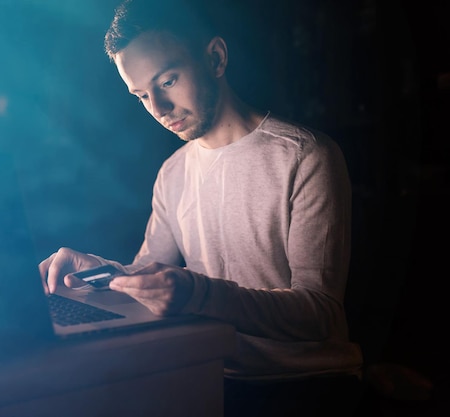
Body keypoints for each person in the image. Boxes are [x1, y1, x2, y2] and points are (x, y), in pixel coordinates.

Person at [39, 0, 364, 415]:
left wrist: (200, 293)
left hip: (306, 384)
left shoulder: (305, 156)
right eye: (141, 95)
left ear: (215, 58)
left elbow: (320, 313)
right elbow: (151, 281)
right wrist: (99, 272)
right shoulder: (172, 174)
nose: (157, 108)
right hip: (207, 374)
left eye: (168, 81)